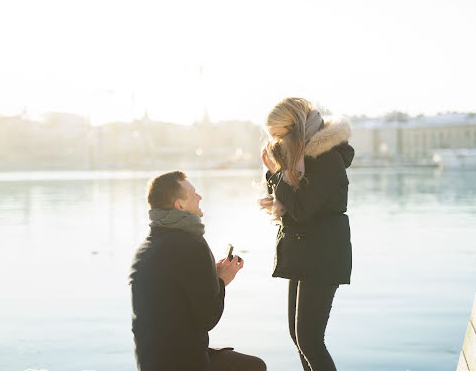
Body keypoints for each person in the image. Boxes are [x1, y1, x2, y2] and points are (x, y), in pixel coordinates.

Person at [129, 171, 266, 371]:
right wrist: (221, 281)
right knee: (254, 367)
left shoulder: (145, 248)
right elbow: (209, 317)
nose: (200, 197)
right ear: (180, 205)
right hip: (184, 363)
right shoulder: (192, 245)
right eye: (194, 194)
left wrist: (211, 277)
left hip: (150, 362)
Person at [259, 98, 354, 371]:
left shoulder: (325, 158)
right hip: (304, 250)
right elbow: (287, 199)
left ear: (295, 130)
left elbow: (299, 210)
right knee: (298, 338)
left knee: (310, 340)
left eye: (279, 135)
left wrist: (276, 173)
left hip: (323, 253)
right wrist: (274, 175)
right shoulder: (300, 156)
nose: (276, 142)